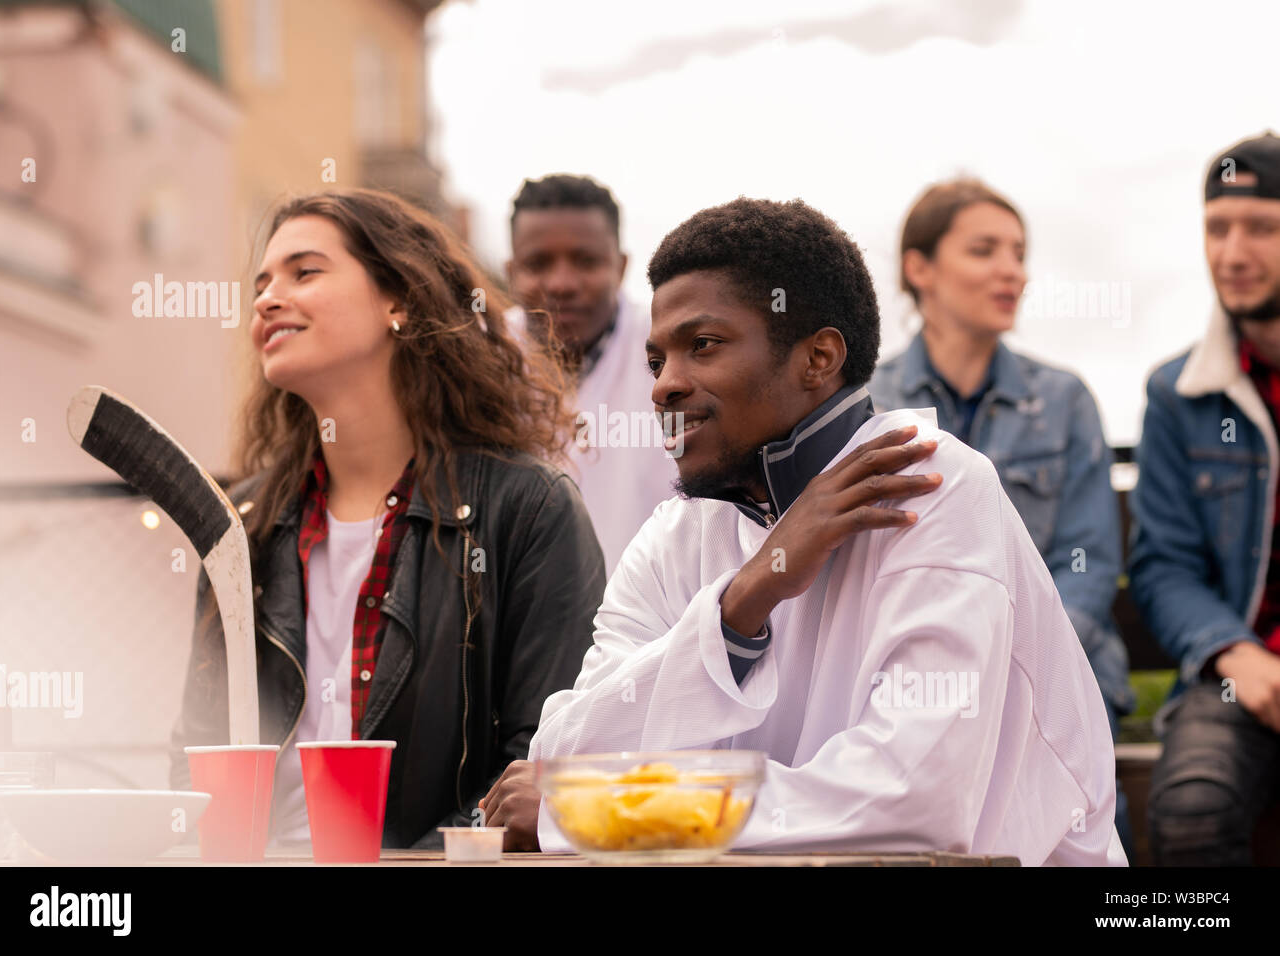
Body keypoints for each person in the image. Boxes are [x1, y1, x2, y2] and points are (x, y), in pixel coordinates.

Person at [480, 197, 1127, 865]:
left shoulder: (931, 486)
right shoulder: (677, 533)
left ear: (818, 358)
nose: (665, 386)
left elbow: (912, 804)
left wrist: (607, 815)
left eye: (702, 346)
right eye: (655, 360)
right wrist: (741, 603)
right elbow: (566, 764)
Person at [168, 188, 606, 850]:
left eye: (304, 272)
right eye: (261, 283)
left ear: (397, 299)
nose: (267, 298)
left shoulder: (528, 511)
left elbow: (543, 771)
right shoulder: (241, 526)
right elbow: (193, 761)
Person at [869, 178, 1135, 856]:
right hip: (912, 660)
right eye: (985, 250)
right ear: (918, 268)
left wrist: (1011, 661)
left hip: (1053, 663)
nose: (1011, 269)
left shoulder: (1063, 400)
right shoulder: (870, 403)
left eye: (1019, 252)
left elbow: (1089, 560)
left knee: (1080, 792)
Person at [1131, 132, 1280, 866]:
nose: (1233, 251)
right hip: (1242, 678)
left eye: (1262, 227)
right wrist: (1235, 653)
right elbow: (1163, 565)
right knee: (1192, 807)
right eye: (1218, 227)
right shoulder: (1179, 393)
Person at [505, 174, 679, 576]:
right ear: (511, 270)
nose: (562, 284)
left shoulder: (675, 355)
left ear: (620, 267)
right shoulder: (478, 359)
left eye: (586, 261)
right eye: (538, 264)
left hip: (653, 625)